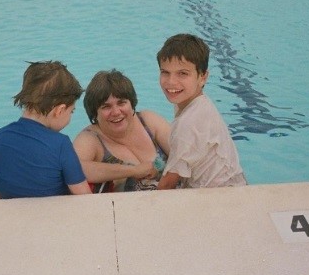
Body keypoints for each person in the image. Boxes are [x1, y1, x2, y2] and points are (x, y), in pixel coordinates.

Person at [0, 60, 92, 199]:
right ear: (59, 110)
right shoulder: (60, 144)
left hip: (12, 217)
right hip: (55, 217)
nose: (70, 117)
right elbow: (85, 198)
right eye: (71, 112)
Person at [155, 34, 247, 190]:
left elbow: (168, 183)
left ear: (203, 77)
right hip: (235, 186)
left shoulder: (189, 122)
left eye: (182, 73)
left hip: (218, 199)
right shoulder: (195, 102)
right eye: (165, 72)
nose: (171, 81)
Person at [73, 70, 171, 192]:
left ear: (132, 103)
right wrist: (134, 171)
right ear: (95, 112)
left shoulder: (148, 121)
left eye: (121, 103)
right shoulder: (91, 138)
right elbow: (73, 169)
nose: (116, 112)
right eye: (106, 107)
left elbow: (184, 153)